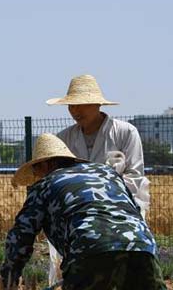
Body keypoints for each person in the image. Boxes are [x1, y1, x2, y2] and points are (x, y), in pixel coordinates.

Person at [0, 133, 173, 290]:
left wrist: (9, 282)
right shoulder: (107, 173)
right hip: (142, 247)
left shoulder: (44, 185)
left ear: (45, 164)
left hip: (89, 250)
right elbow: (133, 210)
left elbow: (20, 237)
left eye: (36, 170)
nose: (36, 176)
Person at [47, 74, 149, 210]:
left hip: (119, 209)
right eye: (71, 105)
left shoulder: (126, 132)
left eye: (81, 105)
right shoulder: (63, 138)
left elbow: (135, 177)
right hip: (76, 210)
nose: (75, 110)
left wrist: (95, 189)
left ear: (98, 104)